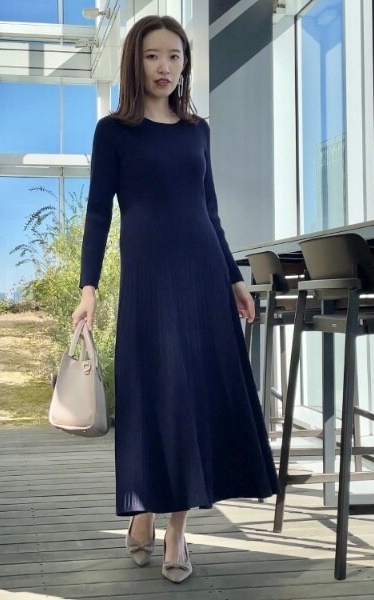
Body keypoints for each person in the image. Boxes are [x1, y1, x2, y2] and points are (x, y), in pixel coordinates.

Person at [71, 14, 280, 584]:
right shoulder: (114, 132)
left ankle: (177, 530)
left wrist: (233, 278)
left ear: (185, 64)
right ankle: (142, 507)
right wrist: (88, 289)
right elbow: (97, 213)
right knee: (151, 396)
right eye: (152, 56)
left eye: (174, 56)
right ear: (134, 63)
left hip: (203, 280)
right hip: (148, 282)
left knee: (194, 398)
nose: (164, 67)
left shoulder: (197, 131)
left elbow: (209, 212)